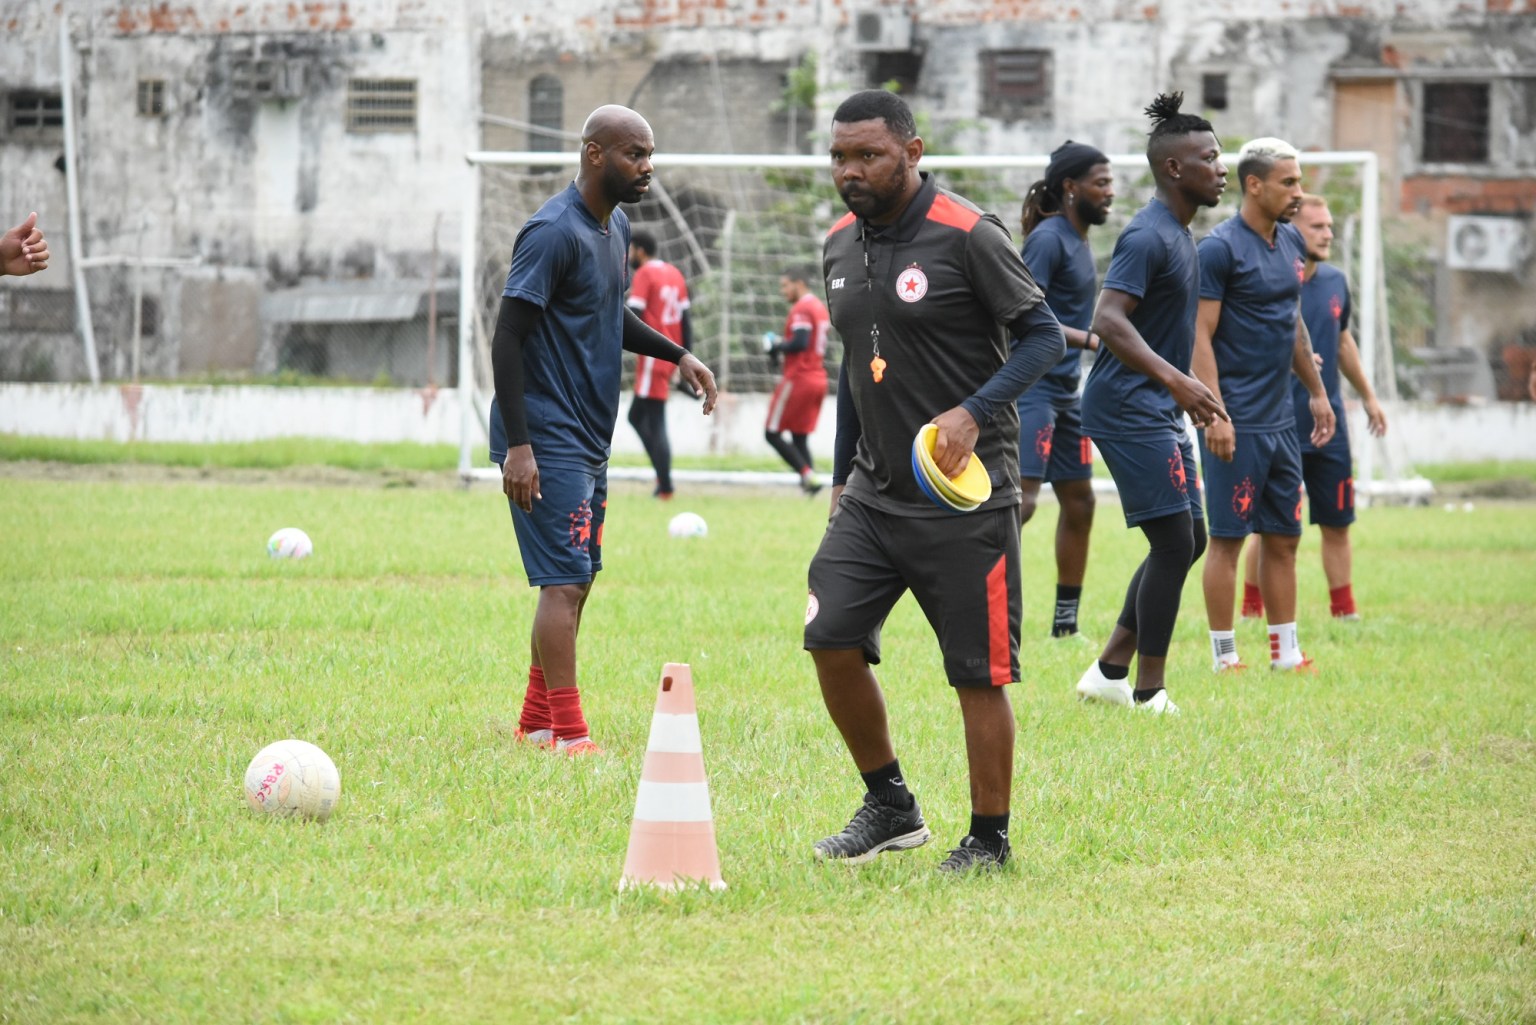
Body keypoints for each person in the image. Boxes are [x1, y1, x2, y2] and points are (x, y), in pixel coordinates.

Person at [805, 90, 1067, 874]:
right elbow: (857, 366)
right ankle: (890, 805)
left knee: (977, 674)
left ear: (912, 152)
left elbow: (1044, 337)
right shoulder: (837, 244)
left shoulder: (968, 233)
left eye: (869, 155)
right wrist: (841, 477)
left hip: (965, 497)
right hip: (873, 493)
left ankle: (989, 837)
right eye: (840, 157)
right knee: (830, 635)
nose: (850, 171)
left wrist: (972, 412)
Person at [488, 105, 718, 756]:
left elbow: (609, 314)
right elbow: (507, 337)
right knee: (562, 581)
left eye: (650, 155)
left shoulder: (615, 226)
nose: (648, 167)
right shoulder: (551, 231)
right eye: (634, 154)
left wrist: (677, 354)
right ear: (595, 154)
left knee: (580, 575)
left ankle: (536, 721)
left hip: (589, 434)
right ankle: (570, 732)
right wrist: (520, 446)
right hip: (545, 433)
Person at [1072, 92, 1231, 716]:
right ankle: (1148, 690)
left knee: (1189, 538)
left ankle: (1110, 670)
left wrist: (1179, 385)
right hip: (1125, 407)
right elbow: (1108, 320)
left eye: (1219, 156)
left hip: (1153, 404)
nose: (1220, 168)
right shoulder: (1146, 235)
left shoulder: (1180, 235)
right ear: (1173, 167)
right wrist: (1177, 381)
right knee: (1173, 542)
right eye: (1209, 158)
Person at [1192, 138, 1335, 674]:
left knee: (1284, 537)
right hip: (1237, 421)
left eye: (1299, 181)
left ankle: (1286, 653)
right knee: (1228, 540)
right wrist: (1217, 414)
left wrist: (1316, 391)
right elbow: (1198, 336)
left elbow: (1291, 322)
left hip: (1281, 421)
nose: (1298, 192)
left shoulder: (1292, 241)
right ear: (1254, 185)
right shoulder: (1219, 250)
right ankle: (1224, 657)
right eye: (1288, 182)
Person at [1240, 194, 1388, 622]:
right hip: (1276, 422)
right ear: (1292, 231)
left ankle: (1345, 612)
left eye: (1329, 226)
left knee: (1338, 521)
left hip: (1330, 426)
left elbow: (1342, 341)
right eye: (1317, 227)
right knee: (1268, 527)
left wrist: (1370, 397)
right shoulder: (1268, 280)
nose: (1328, 234)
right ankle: (1252, 608)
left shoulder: (1337, 281)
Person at [1015, 141, 1114, 639]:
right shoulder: (1048, 239)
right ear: (1072, 187)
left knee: (1080, 501)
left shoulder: (1079, 238)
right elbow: (1021, 313)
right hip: (1031, 389)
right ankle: (982, 605)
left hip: (1066, 393)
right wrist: (1093, 339)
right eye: (1101, 183)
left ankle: (1065, 626)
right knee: (1021, 503)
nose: (1110, 192)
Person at [624, 229, 694, 499]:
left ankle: (665, 486)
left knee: (655, 420)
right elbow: (686, 321)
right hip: (671, 353)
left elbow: (634, 314)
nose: (629, 255)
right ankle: (662, 476)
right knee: (637, 417)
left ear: (640, 251)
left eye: (631, 250)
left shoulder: (644, 274)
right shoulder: (675, 274)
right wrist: (686, 356)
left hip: (653, 355)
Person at [762, 266, 831, 495]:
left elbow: (800, 342)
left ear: (799, 284)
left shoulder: (802, 308)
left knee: (771, 433)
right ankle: (811, 486)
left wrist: (776, 345)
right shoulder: (819, 307)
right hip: (818, 377)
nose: (783, 291)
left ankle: (806, 474)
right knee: (799, 437)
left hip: (799, 378)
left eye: (785, 286)